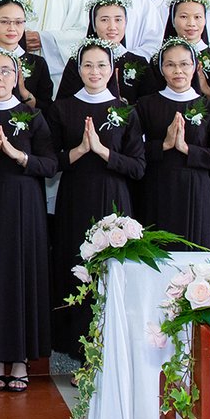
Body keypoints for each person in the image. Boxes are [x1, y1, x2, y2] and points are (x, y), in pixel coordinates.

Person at [0, 48, 56, 392]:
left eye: (5, 71)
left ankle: (19, 358)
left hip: (24, 209)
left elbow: (51, 164)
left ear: (17, 77)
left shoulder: (32, 116)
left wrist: (20, 156)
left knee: (21, 277)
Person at [50, 40, 146, 355]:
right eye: (88, 65)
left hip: (114, 201)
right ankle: (75, 348)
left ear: (112, 70)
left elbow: (138, 167)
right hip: (74, 198)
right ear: (78, 70)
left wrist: (103, 151)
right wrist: (80, 150)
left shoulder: (125, 110)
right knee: (75, 266)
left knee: (111, 271)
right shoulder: (63, 108)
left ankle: (110, 348)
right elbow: (49, 163)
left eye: (101, 65)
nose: (95, 72)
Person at [135, 38, 210, 247]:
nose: (178, 71)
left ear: (195, 67)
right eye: (170, 65)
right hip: (157, 188)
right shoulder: (146, 105)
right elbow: (132, 152)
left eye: (184, 64)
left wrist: (187, 149)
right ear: (161, 69)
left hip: (196, 190)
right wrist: (163, 145)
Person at [57, 0, 152, 103]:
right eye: (104, 20)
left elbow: (149, 107)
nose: (112, 27)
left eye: (118, 20)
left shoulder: (139, 63)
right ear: (94, 25)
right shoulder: (78, 61)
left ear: (126, 23)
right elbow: (63, 105)